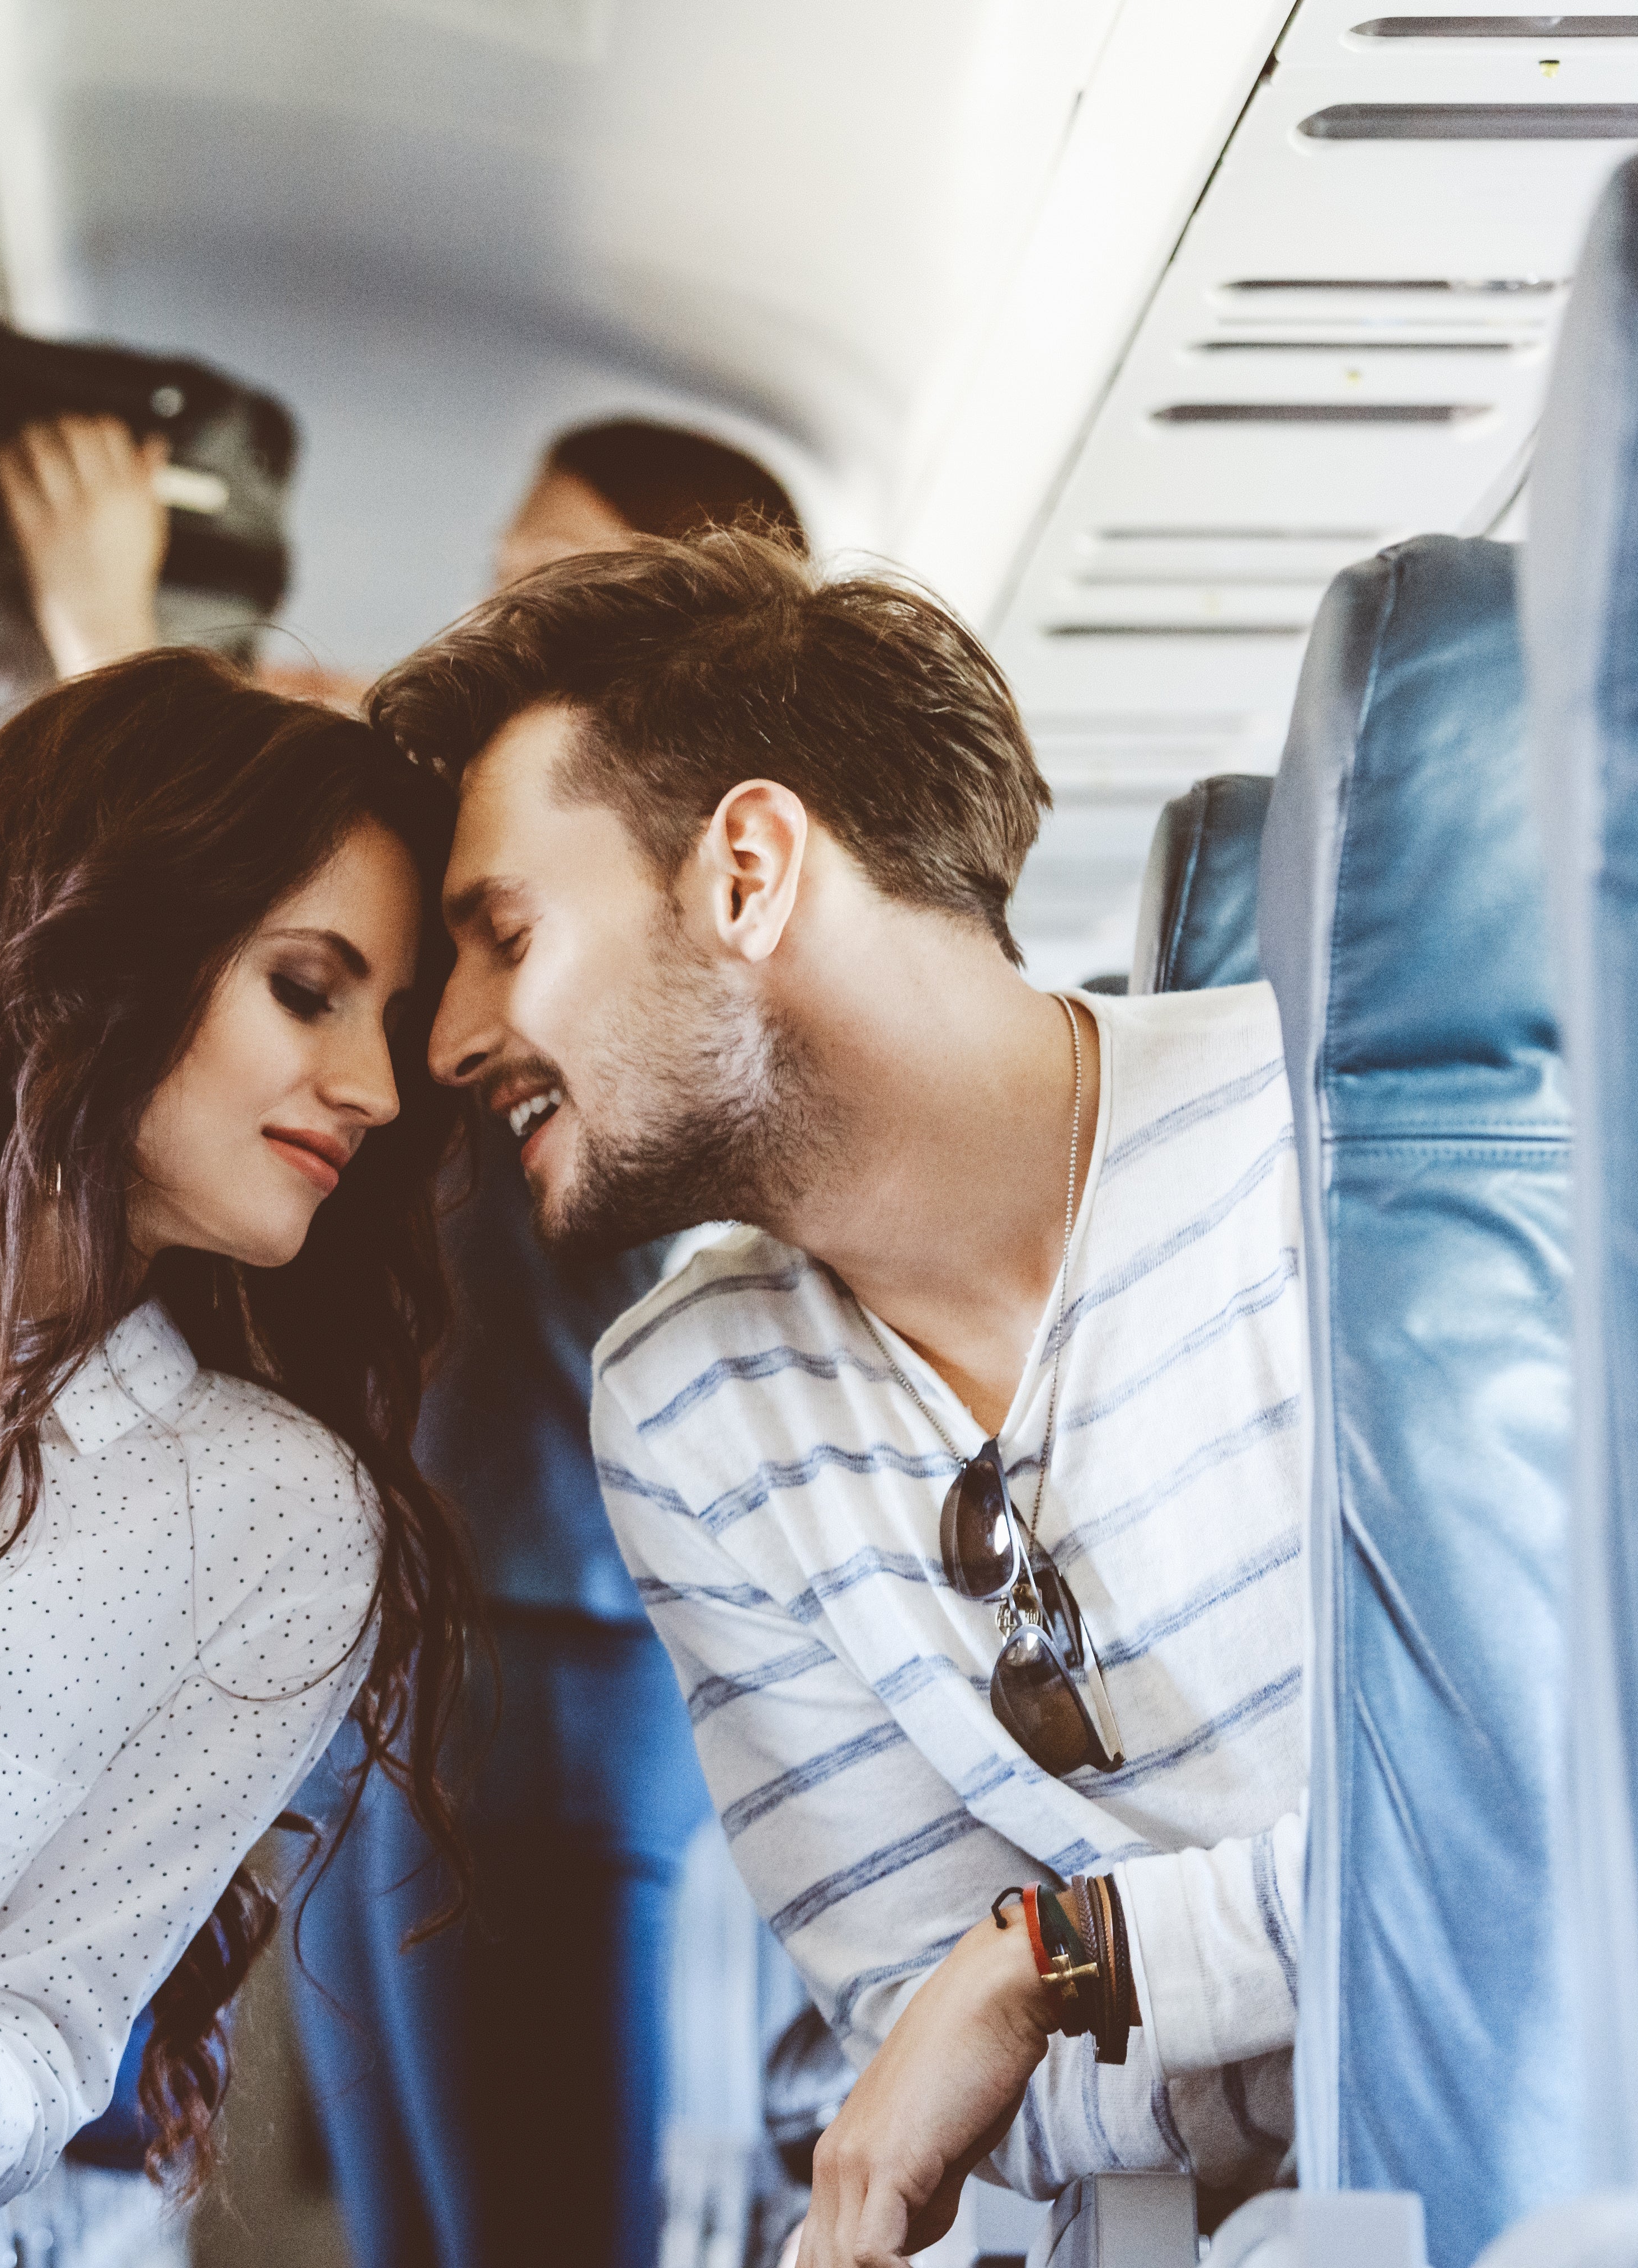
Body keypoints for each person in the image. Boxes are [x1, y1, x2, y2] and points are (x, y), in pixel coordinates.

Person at [373, 527, 1308, 2260]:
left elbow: (1565, 1828)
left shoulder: (1326, 1165)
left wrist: (1053, 1963)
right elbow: (921, 2037)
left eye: (501, 934)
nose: (443, 1043)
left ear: (744, 869)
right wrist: (1248, 1993)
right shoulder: (690, 1408)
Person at [0, 409, 822, 2268]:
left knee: (535, 2237)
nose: (488, 620)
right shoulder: (499, 910)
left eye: (541, 584)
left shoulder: (653, 931)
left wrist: (127, 655)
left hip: (563, 1664)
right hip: (420, 1661)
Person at [0, 650, 480, 2221]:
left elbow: (56, 2027)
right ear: (105, 952)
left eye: (397, 1025)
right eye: (307, 990)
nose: (368, 1086)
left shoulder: (274, 1517)